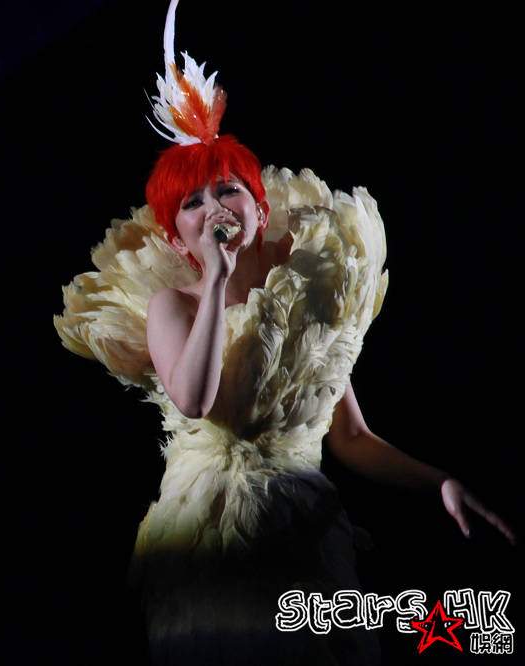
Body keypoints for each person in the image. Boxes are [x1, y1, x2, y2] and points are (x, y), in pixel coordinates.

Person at [52, 1, 516, 664]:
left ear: (257, 203)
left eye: (227, 191)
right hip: (213, 537)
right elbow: (193, 398)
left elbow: (351, 437)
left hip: (303, 530)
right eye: (192, 203)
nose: (214, 209)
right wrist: (216, 281)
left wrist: (437, 481)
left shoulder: (303, 298)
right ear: (177, 236)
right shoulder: (173, 306)